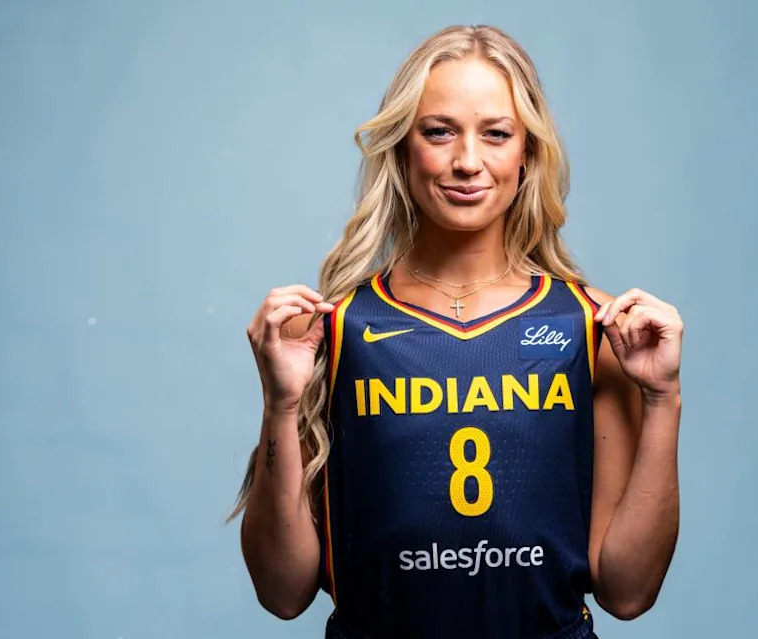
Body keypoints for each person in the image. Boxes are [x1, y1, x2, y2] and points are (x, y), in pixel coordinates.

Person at [228, 24, 683, 639]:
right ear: (401, 148)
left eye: (496, 134)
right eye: (439, 131)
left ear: (527, 153)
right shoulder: (328, 330)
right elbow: (282, 594)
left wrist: (662, 399)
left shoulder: (594, 328)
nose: (467, 161)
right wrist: (280, 405)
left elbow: (628, 593)